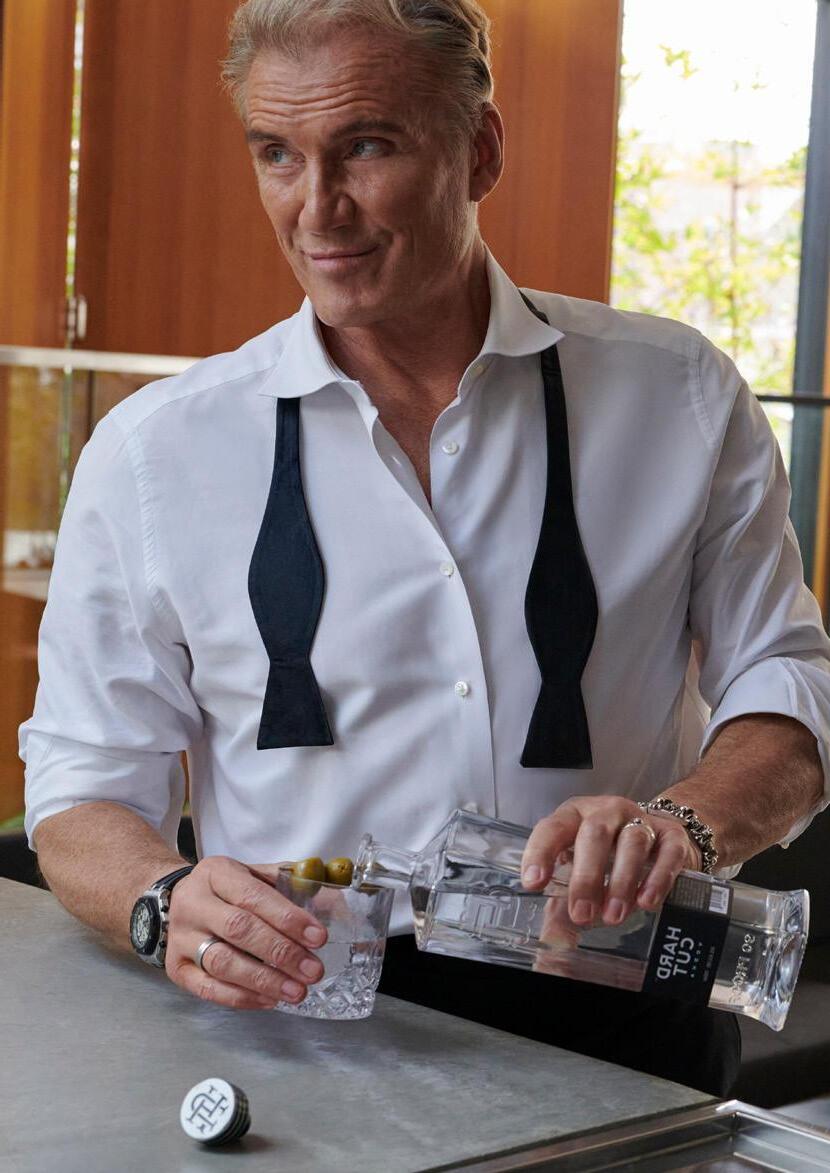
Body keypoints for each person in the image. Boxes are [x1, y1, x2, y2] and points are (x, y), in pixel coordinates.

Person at [21, 0, 830, 1097]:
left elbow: (786, 688)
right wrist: (163, 902)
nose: (317, 208)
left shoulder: (678, 392)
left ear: (479, 150)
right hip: (299, 1032)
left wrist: (679, 827)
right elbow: (82, 788)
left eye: (366, 145)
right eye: (277, 153)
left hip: (626, 1018)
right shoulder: (152, 454)